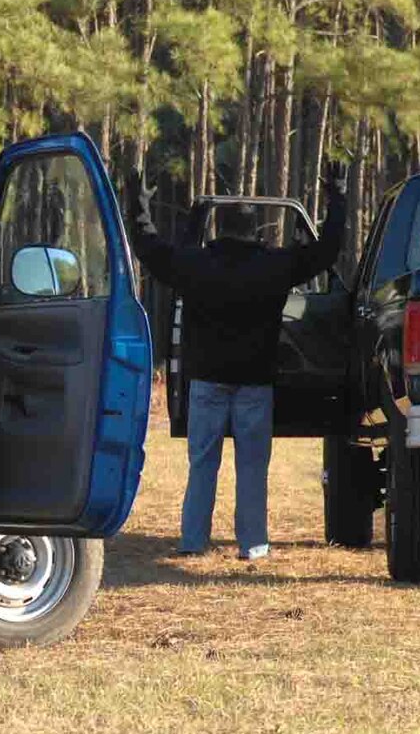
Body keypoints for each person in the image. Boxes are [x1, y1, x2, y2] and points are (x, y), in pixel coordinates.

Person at [129, 165, 349, 559]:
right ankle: (253, 544)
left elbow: (150, 248)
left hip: (207, 383)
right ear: (255, 232)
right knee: (251, 469)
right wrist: (338, 198)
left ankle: (194, 541)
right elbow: (326, 251)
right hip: (254, 384)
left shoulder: (196, 265)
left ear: (220, 229)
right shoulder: (273, 266)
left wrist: (139, 203)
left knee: (202, 466)